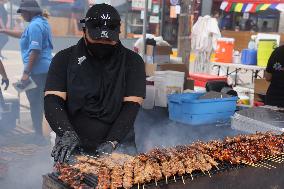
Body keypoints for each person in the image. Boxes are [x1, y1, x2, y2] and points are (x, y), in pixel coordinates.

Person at [44, 3, 146, 163]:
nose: (103, 43)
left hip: (119, 146)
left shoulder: (133, 62)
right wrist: (66, 133)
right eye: (97, 39)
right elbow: (52, 101)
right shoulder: (63, 59)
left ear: (118, 33)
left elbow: (131, 107)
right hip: (73, 146)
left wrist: (112, 141)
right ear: (84, 31)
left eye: (109, 40)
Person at [0, 0, 53, 139]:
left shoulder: (35, 26)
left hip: (37, 71)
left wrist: (26, 73)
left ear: (29, 12)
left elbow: (35, 51)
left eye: (22, 13)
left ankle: (38, 136)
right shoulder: (41, 22)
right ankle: (42, 133)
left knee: (36, 104)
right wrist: (4, 30)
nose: (21, 16)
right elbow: (24, 34)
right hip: (45, 70)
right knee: (41, 103)